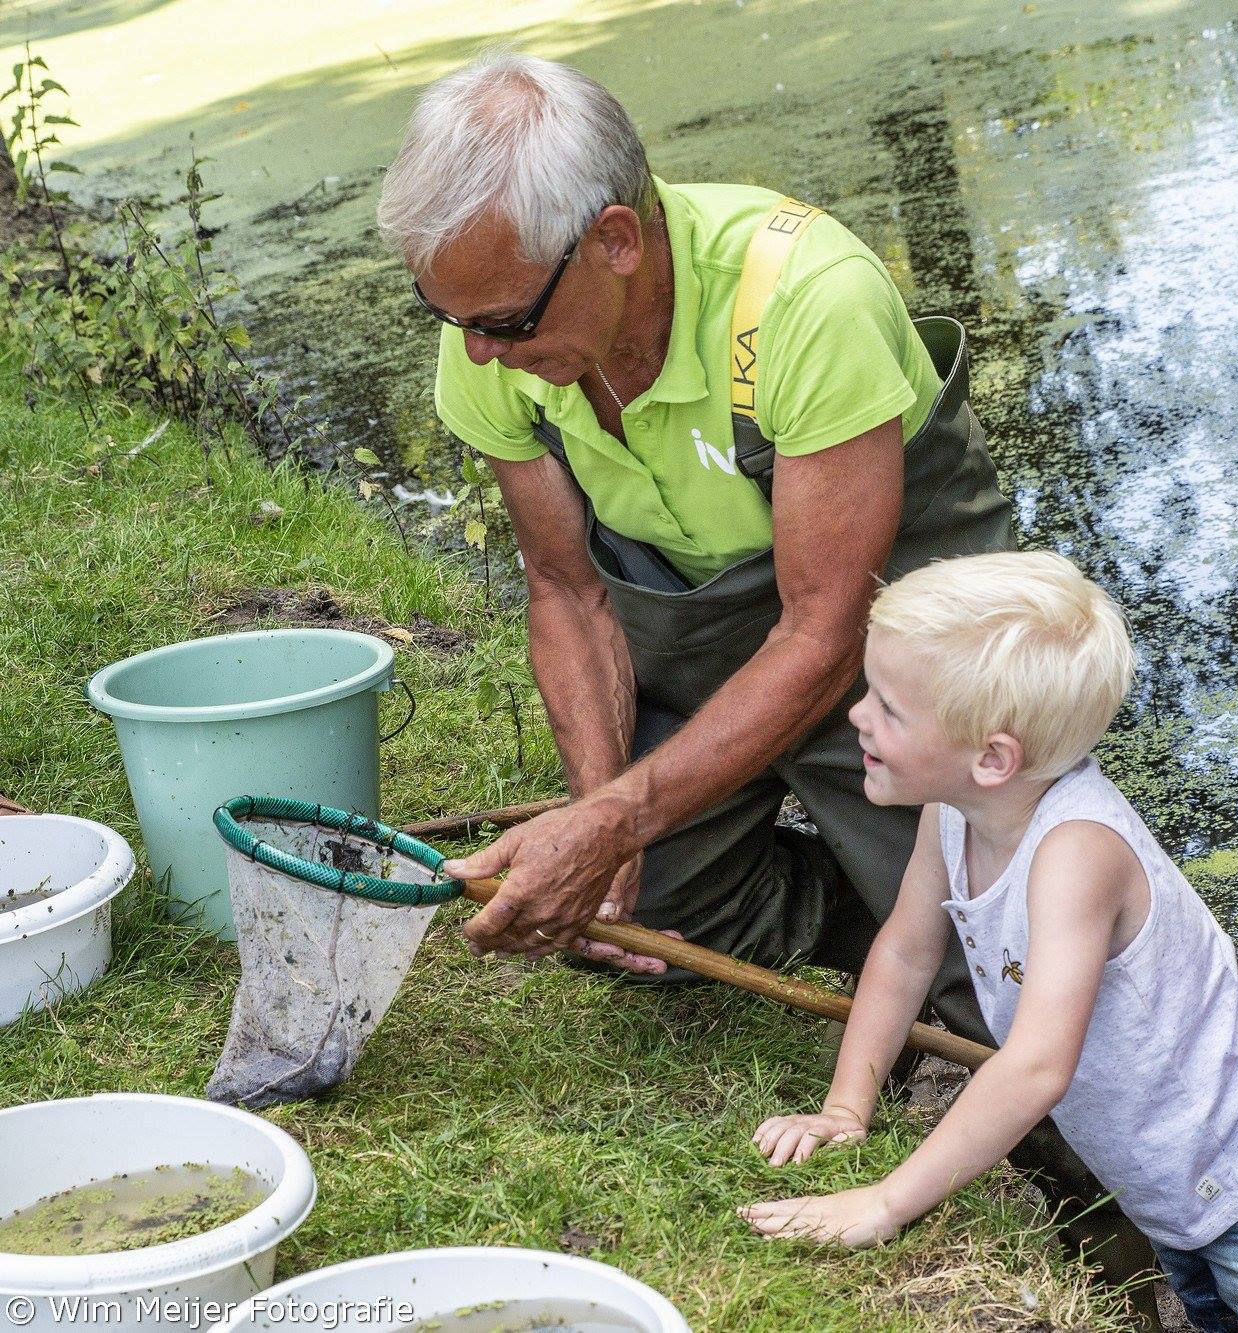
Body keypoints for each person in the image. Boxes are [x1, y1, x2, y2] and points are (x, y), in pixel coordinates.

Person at [374, 51, 1157, 1308]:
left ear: (615, 240)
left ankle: (1119, 1239)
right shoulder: (493, 331)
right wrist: (602, 820)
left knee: (997, 968)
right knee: (642, 918)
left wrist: (615, 815)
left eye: (505, 322)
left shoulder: (803, 298)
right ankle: (875, 931)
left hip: (898, 646)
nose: (476, 350)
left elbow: (823, 628)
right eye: (446, 315)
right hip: (705, 631)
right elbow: (567, 591)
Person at [738, 552, 1238, 1333]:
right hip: (1164, 1182)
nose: (858, 717)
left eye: (890, 709)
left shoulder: (1075, 852)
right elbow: (905, 951)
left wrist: (887, 1202)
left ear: (992, 757)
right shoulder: (951, 814)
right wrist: (845, 1107)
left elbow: (1038, 1065)